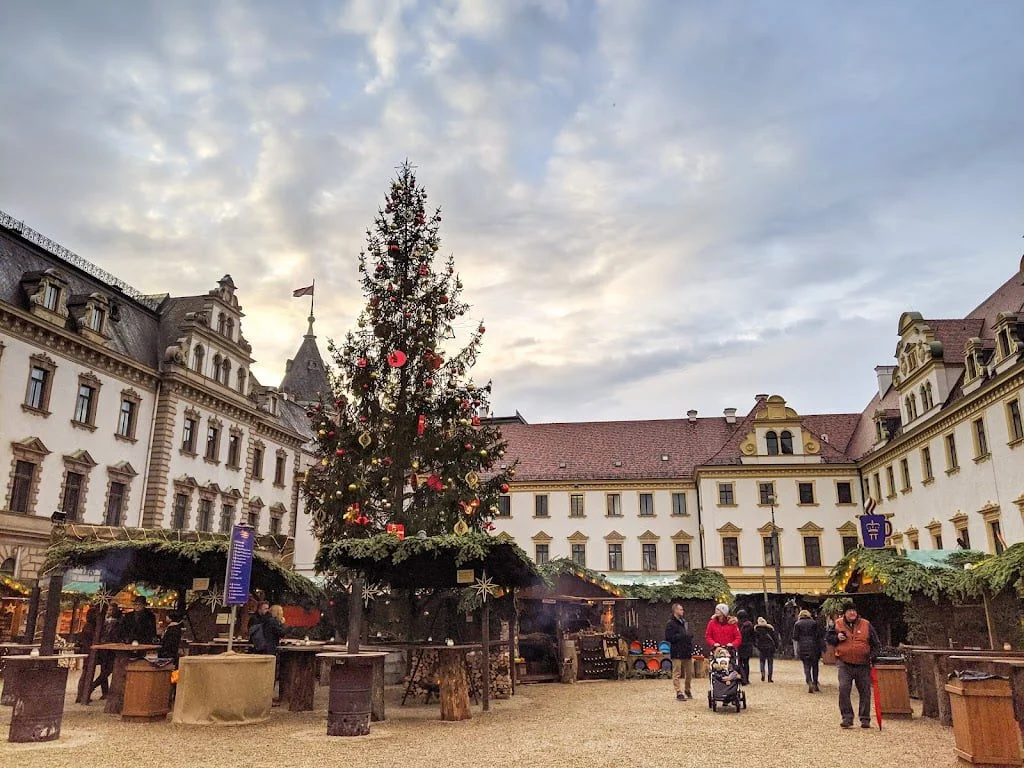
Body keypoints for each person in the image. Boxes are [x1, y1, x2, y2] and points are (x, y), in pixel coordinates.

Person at [825, 603, 880, 729]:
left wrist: (871, 656)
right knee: (844, 689)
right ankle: (847, 717)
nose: (852, 613)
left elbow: (876, 644)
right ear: (845, 613)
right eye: (849, 611)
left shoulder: (866, 624)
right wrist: (837, 638)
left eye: (854, 610)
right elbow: (828, 638)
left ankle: (865, 718)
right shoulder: (837, 623)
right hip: (844, 662)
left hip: (863, 663)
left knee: (865, 691)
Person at [88, 605, 122, 702]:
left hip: (112, 649)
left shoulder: (118, 622)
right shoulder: (104, 622)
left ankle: (93, 686)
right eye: (109, 609)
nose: (109, 611)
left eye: (111, 610)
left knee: (107, 670)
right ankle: (104, 692)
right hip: (104, 648)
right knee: (104, 670)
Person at [664, 602, 694, 700]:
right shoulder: (670, 623)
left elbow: (686, 634)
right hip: (677, 651)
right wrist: (680, 636)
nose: (682, 611)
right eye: (681, 609)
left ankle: (687, 689)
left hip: (686, 650)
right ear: (675, 610)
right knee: (677, 672)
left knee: (689, 672)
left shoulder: (684, 622)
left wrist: (689, 638)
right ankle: (678, 692)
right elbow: (668, 637)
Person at [793, 609, 825, 693]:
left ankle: (809, 681)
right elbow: (818, 634)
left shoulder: (797, 624)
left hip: (803, 646)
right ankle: (815, 683)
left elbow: (795, 637)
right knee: (815, 665)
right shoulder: (814, 623)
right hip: (814, 645)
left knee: (806, 665)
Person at [753, 616, 779, 682]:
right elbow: (775, 638)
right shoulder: (770, 629)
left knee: (762, 661)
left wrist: (756, 645)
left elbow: (755, 639)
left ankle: (763, 673)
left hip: (761, 647)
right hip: (770, 647)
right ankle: (770, 678)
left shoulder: (756, 629)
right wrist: (776, 646)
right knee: (770, 662)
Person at [735, 610, 754, 685]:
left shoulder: (737, 625)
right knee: (746, 663)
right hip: (748, 646)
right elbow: (753, 636)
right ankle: (746, 679)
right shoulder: (749, 625)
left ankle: (741, 678)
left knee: (739, 663)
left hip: (739, 646)